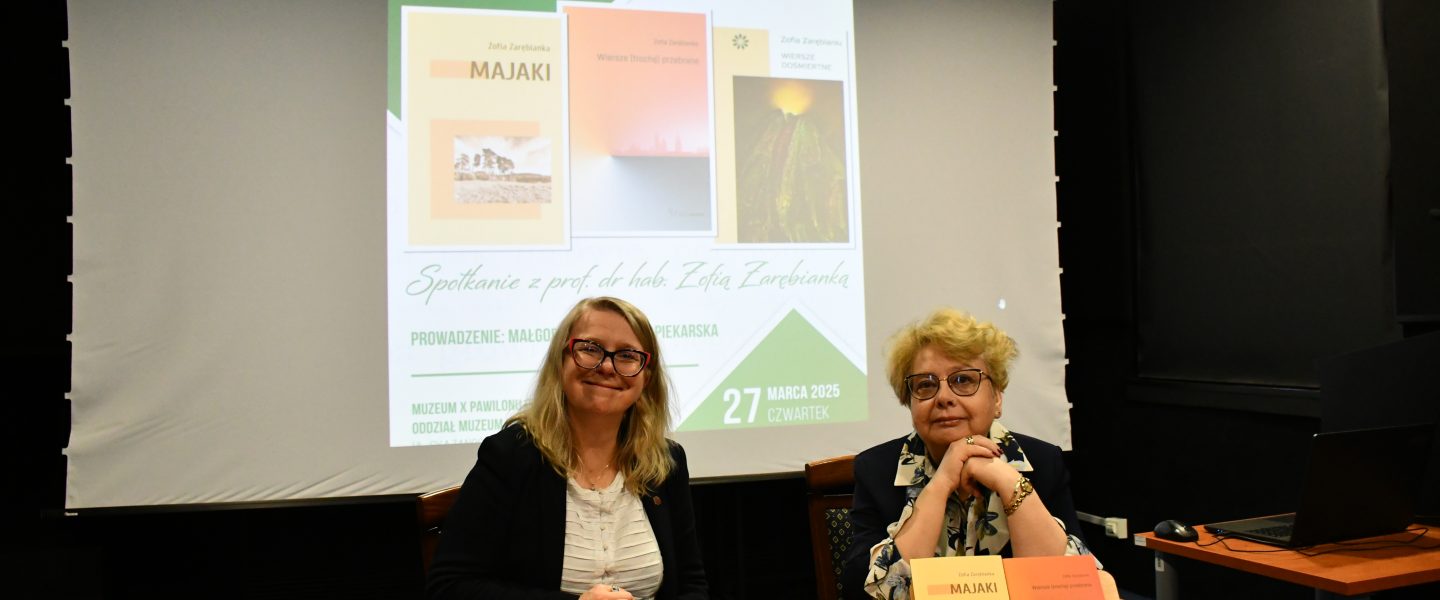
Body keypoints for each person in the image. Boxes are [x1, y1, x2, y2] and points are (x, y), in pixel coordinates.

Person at [427, 297, 709, 600]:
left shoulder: (665, 461)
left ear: (646, 378)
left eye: (627, 355)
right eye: (590, 349)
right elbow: (450, 586)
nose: (606, 366)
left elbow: (692, 586)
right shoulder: (510, 456)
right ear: (561, 361)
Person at [842, 308, 1098, 600]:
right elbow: (859, 594)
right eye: (926, 384)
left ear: (997, 397)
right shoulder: (877, 469)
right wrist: (941, 483)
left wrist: (1007, 481)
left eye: (963, 380)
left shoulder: (1041, 462)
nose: (943, 397)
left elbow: (1072, 588)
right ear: (908, 401)